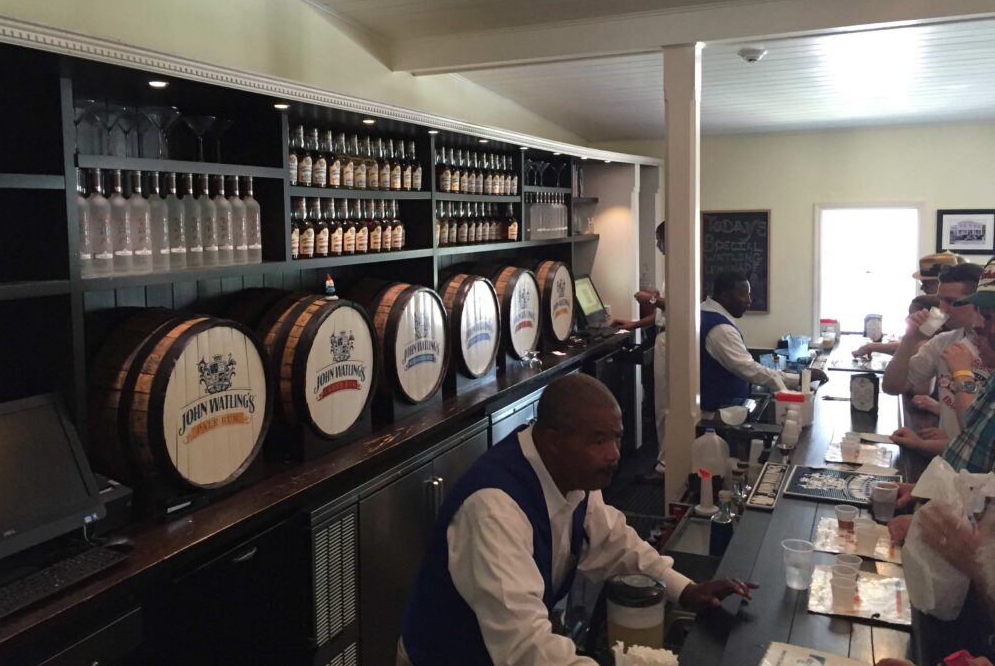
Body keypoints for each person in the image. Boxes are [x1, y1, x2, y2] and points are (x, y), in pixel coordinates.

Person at [399, 374, 756, 666]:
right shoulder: (495, 509)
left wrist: (686, 590)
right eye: (598, 441)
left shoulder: (573, 477)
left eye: (616, 438)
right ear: (553, 441)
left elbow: (615, 543)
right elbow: (526, 646)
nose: (614, 454)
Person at [884, 264, 988, 443]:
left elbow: (980, 437)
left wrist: (934, 444)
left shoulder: (989, 348)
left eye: (952, 301)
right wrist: (910, 339)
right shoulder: (943, 341)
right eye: (940, 300)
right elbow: (892, 386)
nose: (942, 308)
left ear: (978, 302)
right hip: (949, 461)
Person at [700, 271, 826, 411]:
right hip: (718, 413)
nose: (749, 301)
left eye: (749, 294)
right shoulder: (721, 329)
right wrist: (797, 378)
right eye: (743, 295)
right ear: (725, 296)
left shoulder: (703, 311)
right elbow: (748, 369)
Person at [613, 221, 667, 473]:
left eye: (659, 240)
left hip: (671, 340)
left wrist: (651, 299)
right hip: (663, 334)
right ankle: (663, 456)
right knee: (660, 402)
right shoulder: (673, 267)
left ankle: (667, 461)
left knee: (666, 402)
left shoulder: (683, 266)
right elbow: (662, 315)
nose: (657, 245)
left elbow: (677, 307)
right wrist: (634, 324)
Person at [851, 294, 939, 360]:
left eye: (912, 314)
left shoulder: (932, 345)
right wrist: (871, 346)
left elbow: (911, 348)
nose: (907, 319)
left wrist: (872, 346)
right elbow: (904, 346)